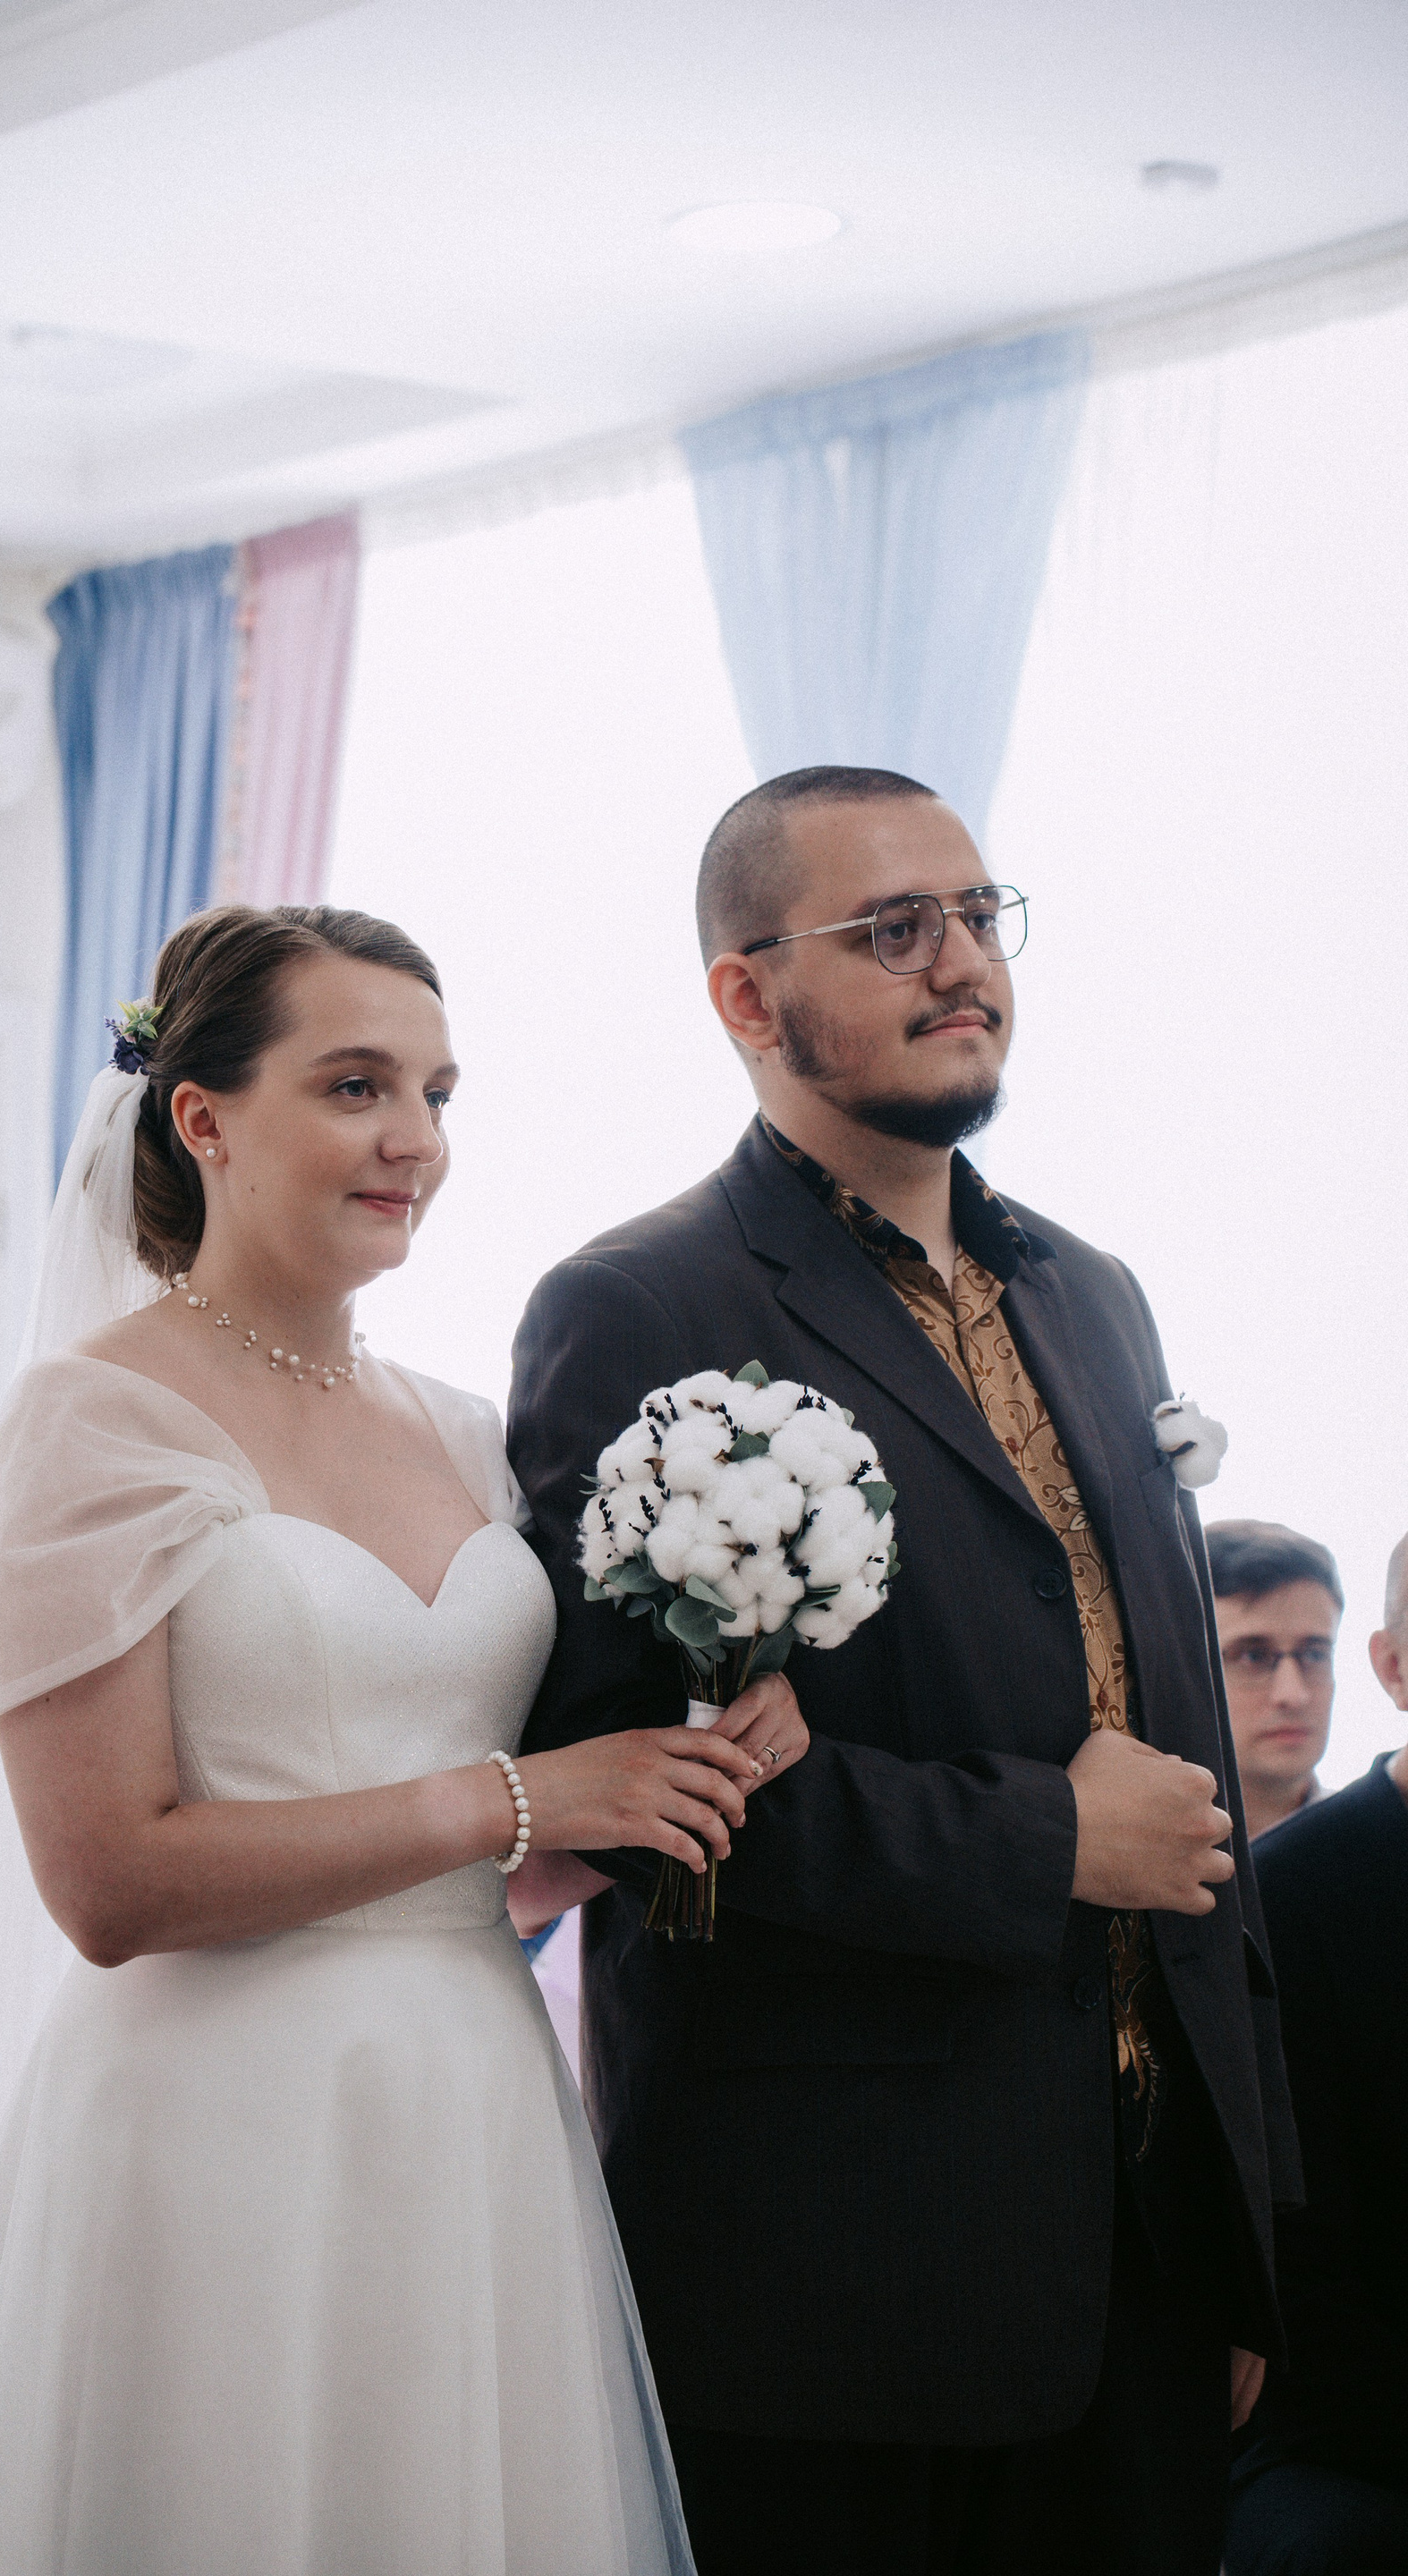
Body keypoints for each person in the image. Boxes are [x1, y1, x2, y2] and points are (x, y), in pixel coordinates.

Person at [0, 904, 812, 2576]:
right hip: (218, 2120)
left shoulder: (465, 1435)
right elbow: (110, 1885)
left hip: (470, 2103)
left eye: (436, 1092)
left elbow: (504, 1872)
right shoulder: (97, 1419)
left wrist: (665, 1785)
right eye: (355, 1087)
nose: (415, 1139)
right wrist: (515, 1797)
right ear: (203, 1118)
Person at [509, 768, 1301, 2576]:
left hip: (1151, 2238)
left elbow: (1186, 1750)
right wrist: (1049, 1841)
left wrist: (1245, 2218)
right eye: (893, 929)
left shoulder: (1093, 1292)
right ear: (745, 993)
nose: (962, 964)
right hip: (842, 2268)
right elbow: (620, 1787)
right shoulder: (639, 1307)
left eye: (978, 914)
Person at [1226, 1535, 1408, 2574]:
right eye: (1253, 1654)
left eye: (1309, 1653)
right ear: (1395, 1667)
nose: (1289, 1689)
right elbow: (1299, 2283)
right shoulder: (1284, 1899)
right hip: (1343, 2443)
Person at [1207, 1521, 1342, 1838]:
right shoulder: (1121, 1860)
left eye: (1314, 1655)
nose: (1293, 1695)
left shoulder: (1388, 1847)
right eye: (1252, 1656)